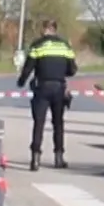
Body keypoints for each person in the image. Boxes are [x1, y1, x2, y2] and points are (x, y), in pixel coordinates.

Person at [17, 19, 77, 171]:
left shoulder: (38, 45)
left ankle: (35, 159)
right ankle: (59, 158)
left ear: (44, 29)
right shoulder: (65, 45)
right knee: (58, 123)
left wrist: (21, 81)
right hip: (59, 88)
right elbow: (72, 70)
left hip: (42, 87)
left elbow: (28, 67)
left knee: (39, 123)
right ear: (55, 29)